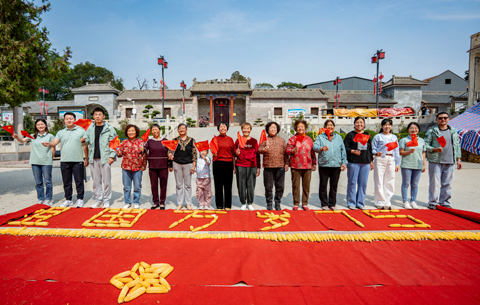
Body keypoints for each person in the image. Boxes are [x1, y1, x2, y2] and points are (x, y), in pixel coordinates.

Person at [43, 112, 88, 208]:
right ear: (64, 120)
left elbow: (85, 146)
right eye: (67, 118)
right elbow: (55, 142)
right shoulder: (61, 132)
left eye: (71, 118)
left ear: (74, 120)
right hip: (64, 160)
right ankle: (68, 200)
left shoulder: (81, 131)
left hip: (78, 160)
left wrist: (86, 158)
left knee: (79, 181)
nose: (69, 120)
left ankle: (80, 199)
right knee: (66, 182)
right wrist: (49, 144)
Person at [81, 108, 117, 208]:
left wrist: (111, 156)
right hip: (93, 158)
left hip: (105, 158)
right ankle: (98, 199)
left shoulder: (109, 128)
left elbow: (114, 143)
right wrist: (83, 140)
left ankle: (106, 200)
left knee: (106, 181)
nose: (98, 116)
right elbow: (86, 141)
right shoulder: (90, 128)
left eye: (100, 114)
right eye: (96, 114)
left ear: (103, 116)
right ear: (93, 117)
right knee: (96, 181)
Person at [424, 112, 462, 209]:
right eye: (440, 118)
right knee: (434, 183)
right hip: (435, 161)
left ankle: (444, 202)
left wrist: (458, 159)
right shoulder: (432, 131)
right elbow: (425, 145)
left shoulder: (453, 131)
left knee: (447, 183)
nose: (443, 119)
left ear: (449, 119)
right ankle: (432, 202)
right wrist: (434, 149)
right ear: (436, 120)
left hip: (450, 161)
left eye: (445, 118)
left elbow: (457, 146)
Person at [13, 119, 55, 206]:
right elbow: (22, 140)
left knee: (48, 182)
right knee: (38, 182)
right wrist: (17, 137)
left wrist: (50, 158)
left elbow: (53, 148)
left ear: (46, 125)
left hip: (46, 162)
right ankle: (40, 198)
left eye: (42, 124)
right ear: (36, 126)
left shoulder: (50, 136)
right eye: (38, 124)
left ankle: (48, 199)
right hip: (35, 162)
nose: (40, 126)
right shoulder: (32, 136)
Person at [313, 119, 347, 210]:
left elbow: (343, 150)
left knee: (334, 185)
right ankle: (324, 203)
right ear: (324, 127)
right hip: (324, 165)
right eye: (328, 125)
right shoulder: (320, 137)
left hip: (336, 165)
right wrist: (321, 148)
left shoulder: (338, 137)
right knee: (323, 185)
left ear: (334, 127)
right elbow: (315, 147)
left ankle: (332, 203)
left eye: (331, 125)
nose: (330, 127)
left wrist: (344, 162)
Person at [343, 117, 374, 210]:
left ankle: (360, 202)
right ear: (354, 124)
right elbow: (345, 148)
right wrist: (352, 151)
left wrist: (371, 161)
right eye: (357, 122)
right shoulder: (350, 135)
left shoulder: (367, 135)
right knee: (352, 182)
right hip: (353, 162)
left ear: (364, 124)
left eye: (361, 122)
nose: (359, 124)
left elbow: (369, 149)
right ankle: (351, 202)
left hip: (365, 163)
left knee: (363, 183)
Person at [286, 119, 316, 210]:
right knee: (296, 185)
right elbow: (287, 150)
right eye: (298, 127)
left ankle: (305, 203)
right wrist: (292, 150)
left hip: (307, 165)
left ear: (305, 128)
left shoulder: (309, 139)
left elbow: (312, 152)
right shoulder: (292, 139)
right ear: (295, 128)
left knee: (306, 185)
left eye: (302, 126)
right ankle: (296, 203)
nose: (300, 128)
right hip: (295, 165)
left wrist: (314, 163)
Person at [258, 121, 289, 211]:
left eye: (274, 128)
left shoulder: (282, 140)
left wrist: (286, 163)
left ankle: (278, 203)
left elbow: (285, 153)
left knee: (280, 186)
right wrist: (264, 149)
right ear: (267, 130)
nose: (272, 129)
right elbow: (259, 150)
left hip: (280, 167)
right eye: (270, 128)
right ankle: (269, 203)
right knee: (268, 187)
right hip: (268, 167)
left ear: (277, 130)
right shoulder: (265, 140)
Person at [372, 118, 400, 210]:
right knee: (379, 180)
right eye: (385, 125)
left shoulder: (394, 137)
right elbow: (373, 149)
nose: (387, 126)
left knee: (390, 180)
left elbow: (396, 151)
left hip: (391, 158)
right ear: (382, 126)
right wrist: (376, 153)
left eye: (389, 125)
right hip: (380, 158)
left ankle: (387, 200)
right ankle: (379, 201)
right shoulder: (378, 137)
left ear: (391, 126)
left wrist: (397, 163)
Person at [117, 124, 147, 209]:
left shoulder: (141, 142)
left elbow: (145, 155)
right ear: (126, 132)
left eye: (132, 130)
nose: (131, 132)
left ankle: (136, 201)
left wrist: (144, 165)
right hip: (126, 167)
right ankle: (127, 202)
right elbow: (120, 154)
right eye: (129, 131)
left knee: (137, 186)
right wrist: (118, 153)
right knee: (126, 187)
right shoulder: (123, 142)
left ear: (136, 132)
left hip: (138, 167)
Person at [168, 123, 196, 210]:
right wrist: (169, 155)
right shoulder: (174, 140)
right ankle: (180, 203)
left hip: (188, 164)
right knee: (179, 185)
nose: (181, 130)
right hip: (177, 163)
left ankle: (188, 203)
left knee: (188, 185)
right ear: (178, 130)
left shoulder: (192, 140)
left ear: (186, 129)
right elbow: (170, 151)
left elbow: (195, 154)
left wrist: (194, 166)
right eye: (180, 128)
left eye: (183, 128)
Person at [399, 122, 426, 210]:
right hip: (407, 164)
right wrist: (409, 152)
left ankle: (413, 201)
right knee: (406, 184)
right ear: (408, 130)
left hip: (418, 165)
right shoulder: (404, 140)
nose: (413, 130)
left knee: (415, 184)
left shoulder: (421, 140)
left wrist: (424, 165)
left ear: (418, 130)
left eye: (415, 128)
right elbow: (400, 152)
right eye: (411, 128)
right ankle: (405, 201)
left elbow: (423, 152)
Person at [144, 124, 172, 210]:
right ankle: (155, 202)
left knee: (163, 185)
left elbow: (170, 153)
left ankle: (162, 202)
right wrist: (142, 149)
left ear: (160, 130)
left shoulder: (165, 141)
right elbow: (145, 149)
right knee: (153, 185)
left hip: (163, 166)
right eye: (153, 130)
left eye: (156, 129)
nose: (154, 131)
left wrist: (170, 165)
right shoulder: (149, 141)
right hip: (152, 166)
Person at [234, 122, 261, 211]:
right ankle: (243, 202)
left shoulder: (254, 141)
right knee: (241, 185)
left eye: (248, 128)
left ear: (250, 130)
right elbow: (234, 152)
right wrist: (236, 152)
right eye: (244, 129)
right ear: (242, 130)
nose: (246, 130)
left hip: (252, 165)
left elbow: (257, 154)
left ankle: (249, 203)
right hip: (240, 165)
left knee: (251, 185)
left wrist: (258, 167)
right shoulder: (238, 140)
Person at [211, 121, 235, 210]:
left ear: (227, 128)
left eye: (225, 126)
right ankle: (219, 205)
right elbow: (212, 151)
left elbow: (233, 154)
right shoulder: (214, 139)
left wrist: (234, 166)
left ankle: (228, 205)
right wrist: (213, 153)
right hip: (217, 163)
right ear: (218, 128)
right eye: (221, 126)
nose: (223, 128)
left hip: (228, 163)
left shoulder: (230, 139)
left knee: (228, 185)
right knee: (218, 185)